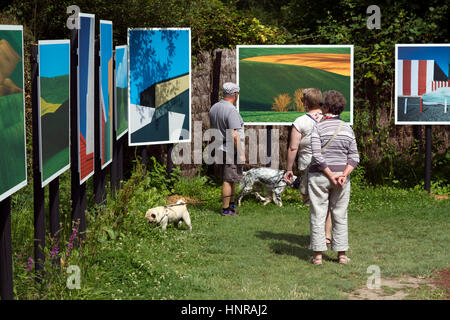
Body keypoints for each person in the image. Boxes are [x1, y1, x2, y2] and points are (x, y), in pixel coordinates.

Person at [307, 90, 359, 265]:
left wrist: (329, 174)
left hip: (319, 176)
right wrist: (343, 175)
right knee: (340, 215)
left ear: (326, 107)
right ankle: (342, 255)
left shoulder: (318, 127)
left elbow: (316, 155)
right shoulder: (347, 129)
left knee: (318, 214)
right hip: (341, 179)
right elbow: (354, 157)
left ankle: (318, 257)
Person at [285, 88, 333, 246]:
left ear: (305, 103)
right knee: (329, 202)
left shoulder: (300, 122)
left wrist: (289, 169)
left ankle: (318, 238)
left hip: (310, 167)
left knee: (316, 204)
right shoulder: (330, 119)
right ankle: (327, 235)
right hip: (331, 165)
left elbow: (293, 147)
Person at [209, 82, 246, 216]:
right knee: (227, 179)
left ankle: (231, 205)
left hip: (219, 146)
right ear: (235, 95)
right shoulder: (231, 110)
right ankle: (225, 209)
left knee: (232, 178)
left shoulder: (214, 108)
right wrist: (241, 153)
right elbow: (234, 135)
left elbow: (212, 130)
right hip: (231, 149)